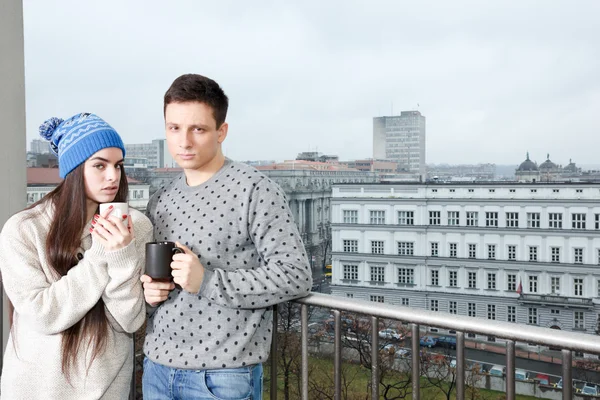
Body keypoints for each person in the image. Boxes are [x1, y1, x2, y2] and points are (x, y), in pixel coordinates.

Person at [141, 74, 313, 399]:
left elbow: (296, 276)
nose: (184, 141)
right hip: (157, 369)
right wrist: (150, 290)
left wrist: (207, 281)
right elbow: (156, 286)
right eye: (174, 128)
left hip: (223, 377)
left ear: (222, 132)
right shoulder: (160, 199)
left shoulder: (255, 190)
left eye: (198, 129)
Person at [0, 113, 153, 399]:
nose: (113, 176)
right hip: (36, 389)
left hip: (106, 390)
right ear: (73, 169)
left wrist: (122, 256)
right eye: (99, 165)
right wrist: (100, 254)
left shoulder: (135, 226)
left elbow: (129, 321)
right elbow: (43, 315)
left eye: (118, 165)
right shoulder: (23, 230)